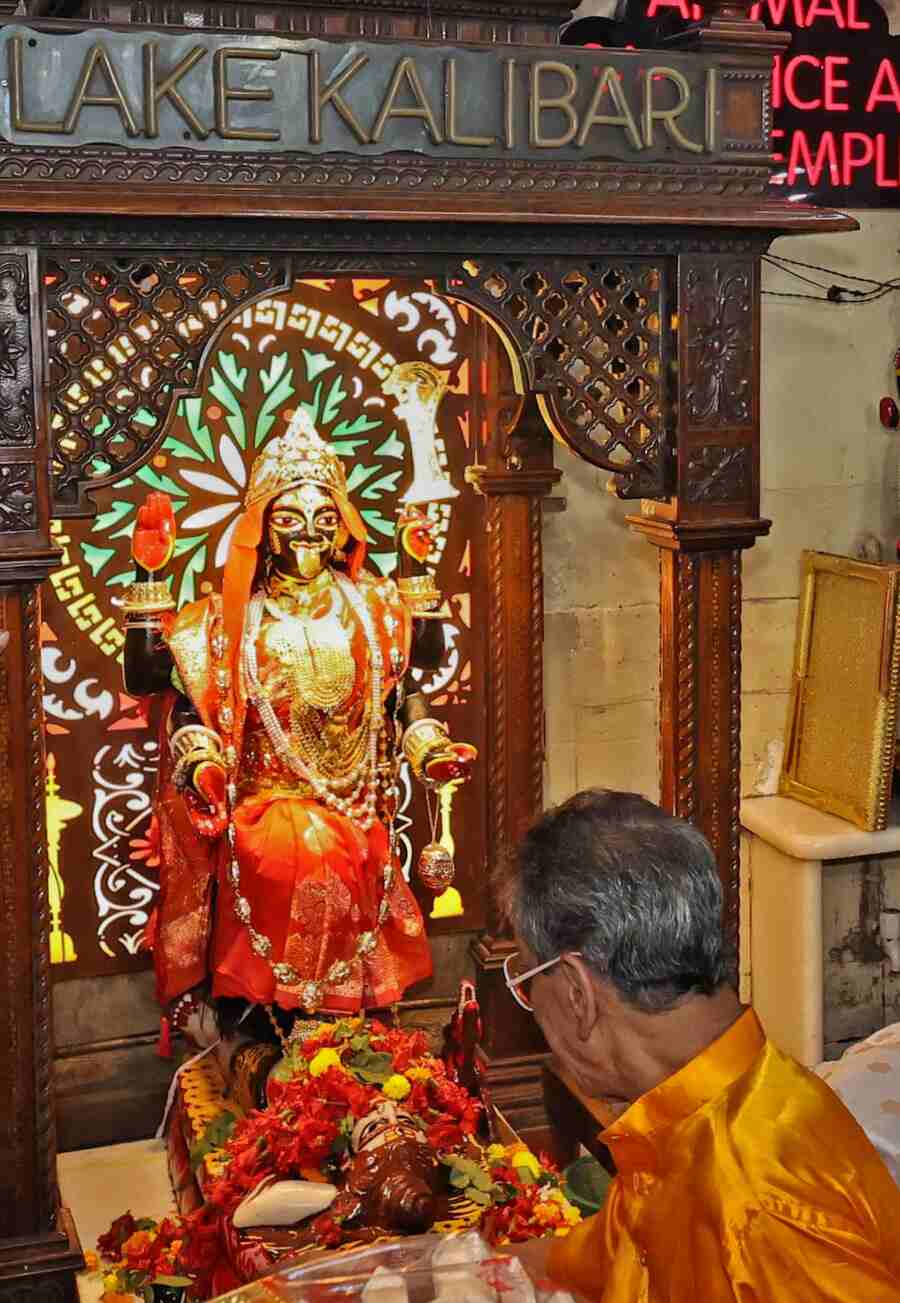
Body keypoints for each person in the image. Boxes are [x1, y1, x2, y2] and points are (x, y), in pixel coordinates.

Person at [121, 407, 473, 1024]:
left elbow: (403, 687)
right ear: (261, 527)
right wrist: (200, 761)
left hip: (355, 800)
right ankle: (277, 1026)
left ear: (341, 528)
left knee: (346, 848)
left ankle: (348, 1035)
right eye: (289, 518)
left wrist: (429, 748)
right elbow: (170, 691)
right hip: (263, 800)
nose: (308, 532)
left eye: (323, 518)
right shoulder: (231, 620)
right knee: (299, 852)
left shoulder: (372, 608)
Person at [500, 789, 900, 1302]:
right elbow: (590, 1260)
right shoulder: (684, 1122)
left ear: (577, 992)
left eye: (527, 975)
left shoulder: (759, 1209)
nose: (529, 1001)